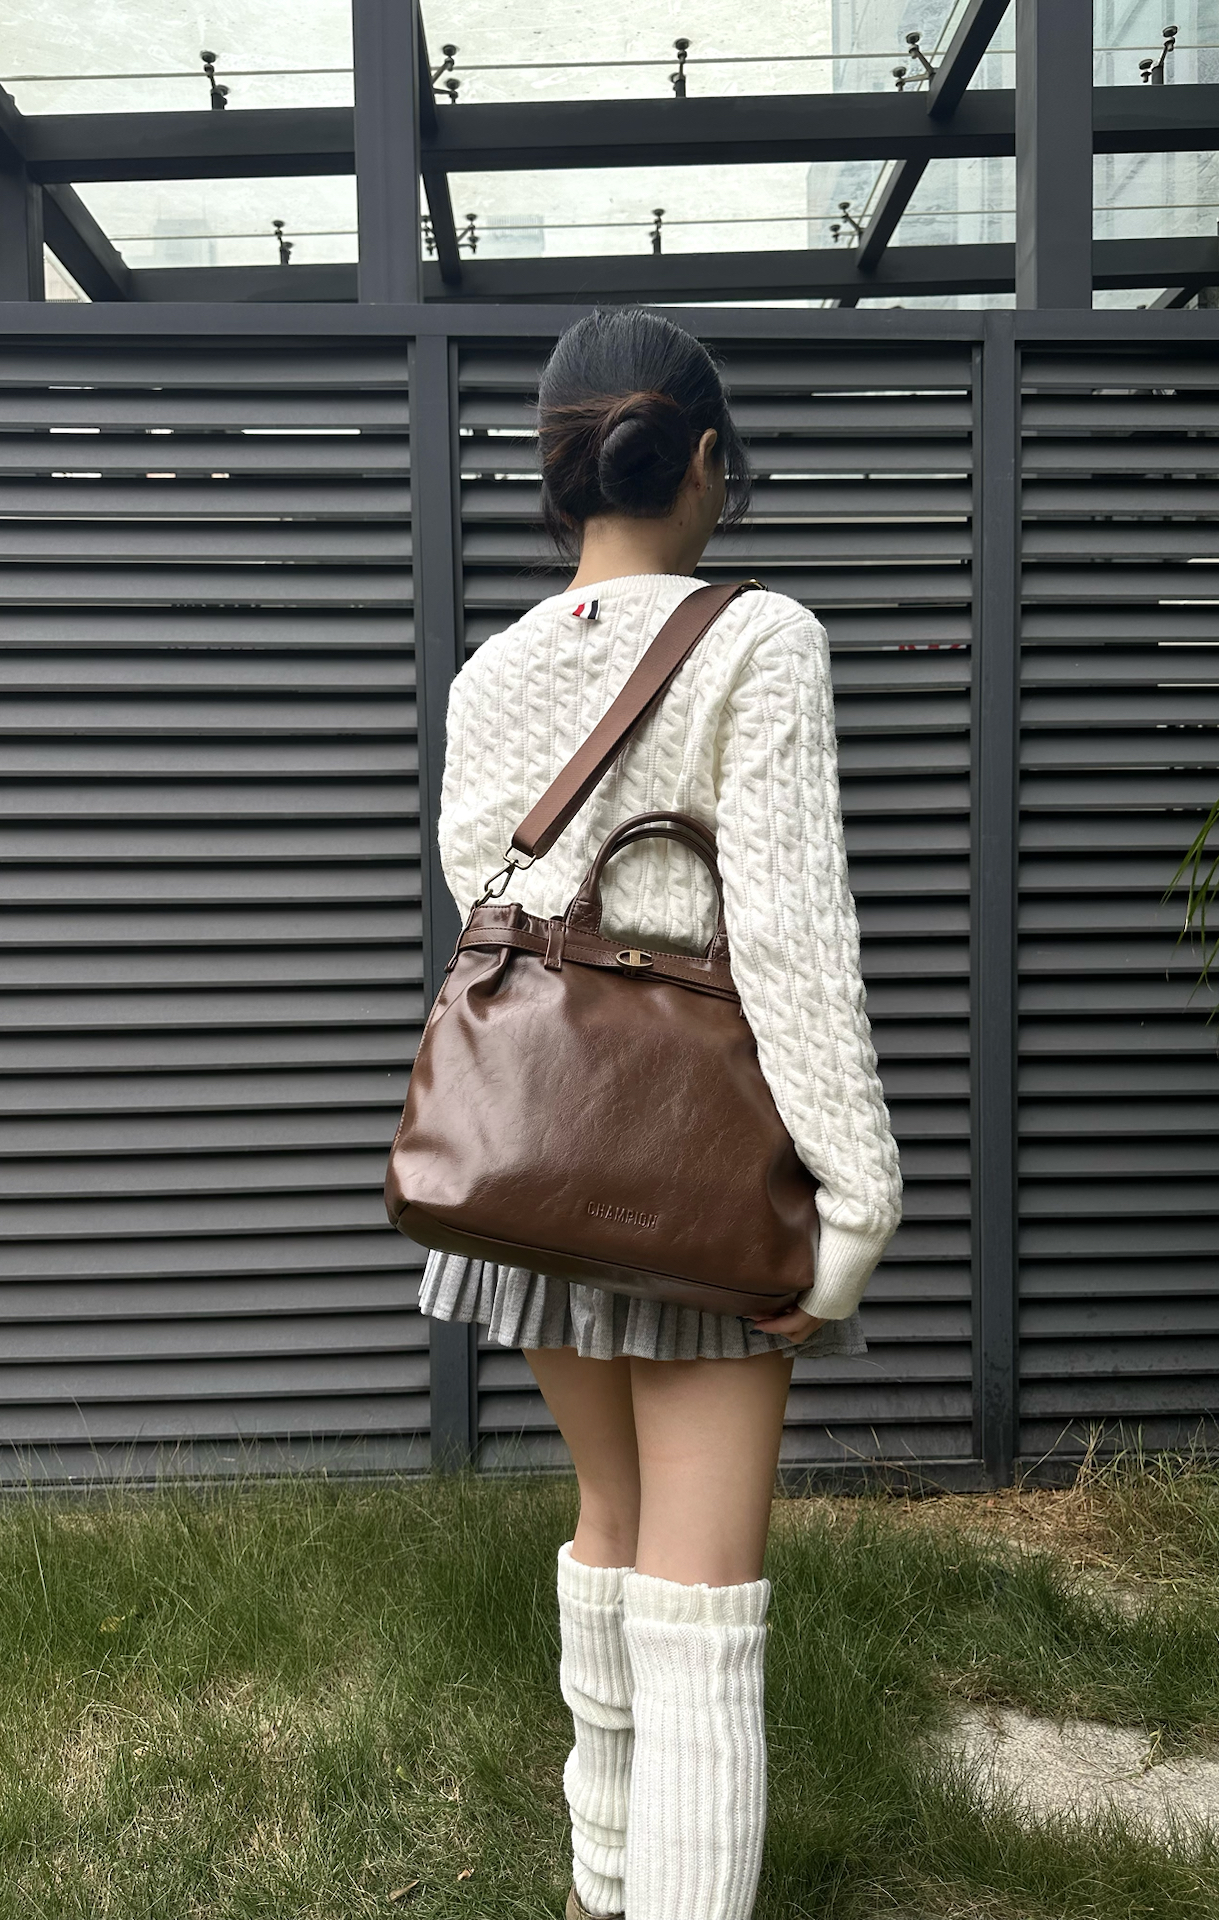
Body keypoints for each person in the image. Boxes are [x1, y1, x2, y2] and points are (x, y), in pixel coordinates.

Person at [418, 309, 902, 1920]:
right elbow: (791, 937)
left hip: (534, 1166)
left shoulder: (490, 673)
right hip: (695, 1182)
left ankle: (605, 1881)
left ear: (560, 470)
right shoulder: (761, 638)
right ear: (704, 461)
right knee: (703, 1597)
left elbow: (489, 916)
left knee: (612, 1522)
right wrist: (854, 1207)